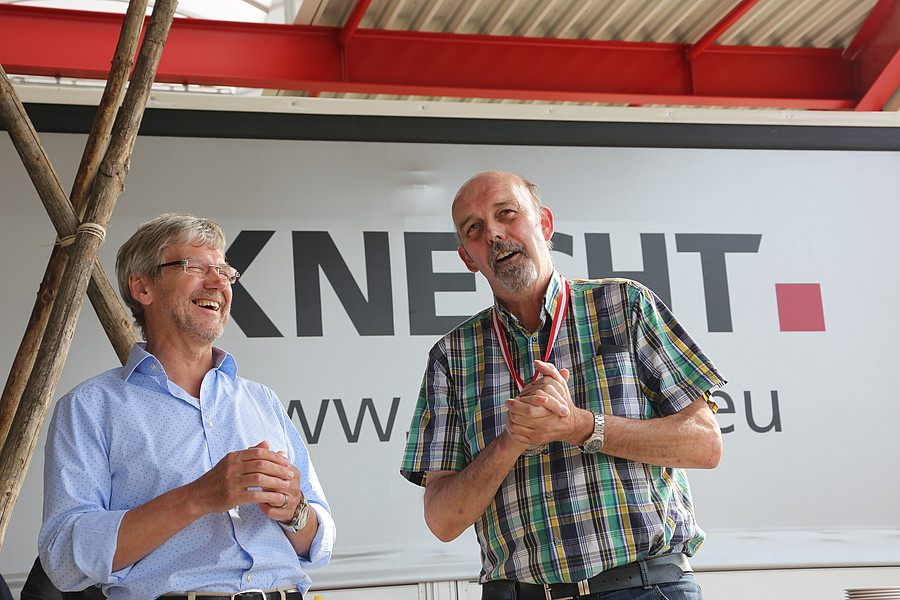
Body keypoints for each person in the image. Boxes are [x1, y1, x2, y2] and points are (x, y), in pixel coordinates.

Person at [400, 171, 725, 600]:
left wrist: (579, 426)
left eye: (506, 213)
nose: (493, 233)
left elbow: (705, 444)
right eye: (474, 228)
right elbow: (442, 520)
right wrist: (511, 442)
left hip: (646, 587)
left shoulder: (624, 304)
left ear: (545, 224)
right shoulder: (452, 356)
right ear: (467, 258)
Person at [40, 213, 335, 600]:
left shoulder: (261, 400)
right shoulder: (89, 408)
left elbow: (320, 543)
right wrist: (197, 497)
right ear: (142, 287)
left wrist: (294, 509)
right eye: (196, 267)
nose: (218, 283)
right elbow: (63, 559)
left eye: (224, 271)